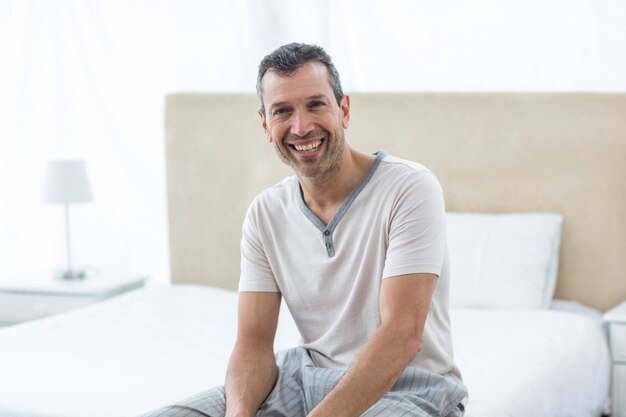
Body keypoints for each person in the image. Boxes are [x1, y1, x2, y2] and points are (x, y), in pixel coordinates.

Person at [143, 42, 467, 417]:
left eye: (316, 104)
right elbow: (252, 343)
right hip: (303, 381)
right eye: (282, 111)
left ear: (343, 110)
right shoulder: (265, 213)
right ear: (266, 125)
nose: (301, 127)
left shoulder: (409, 188)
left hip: (410, 389)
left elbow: (402, 336)